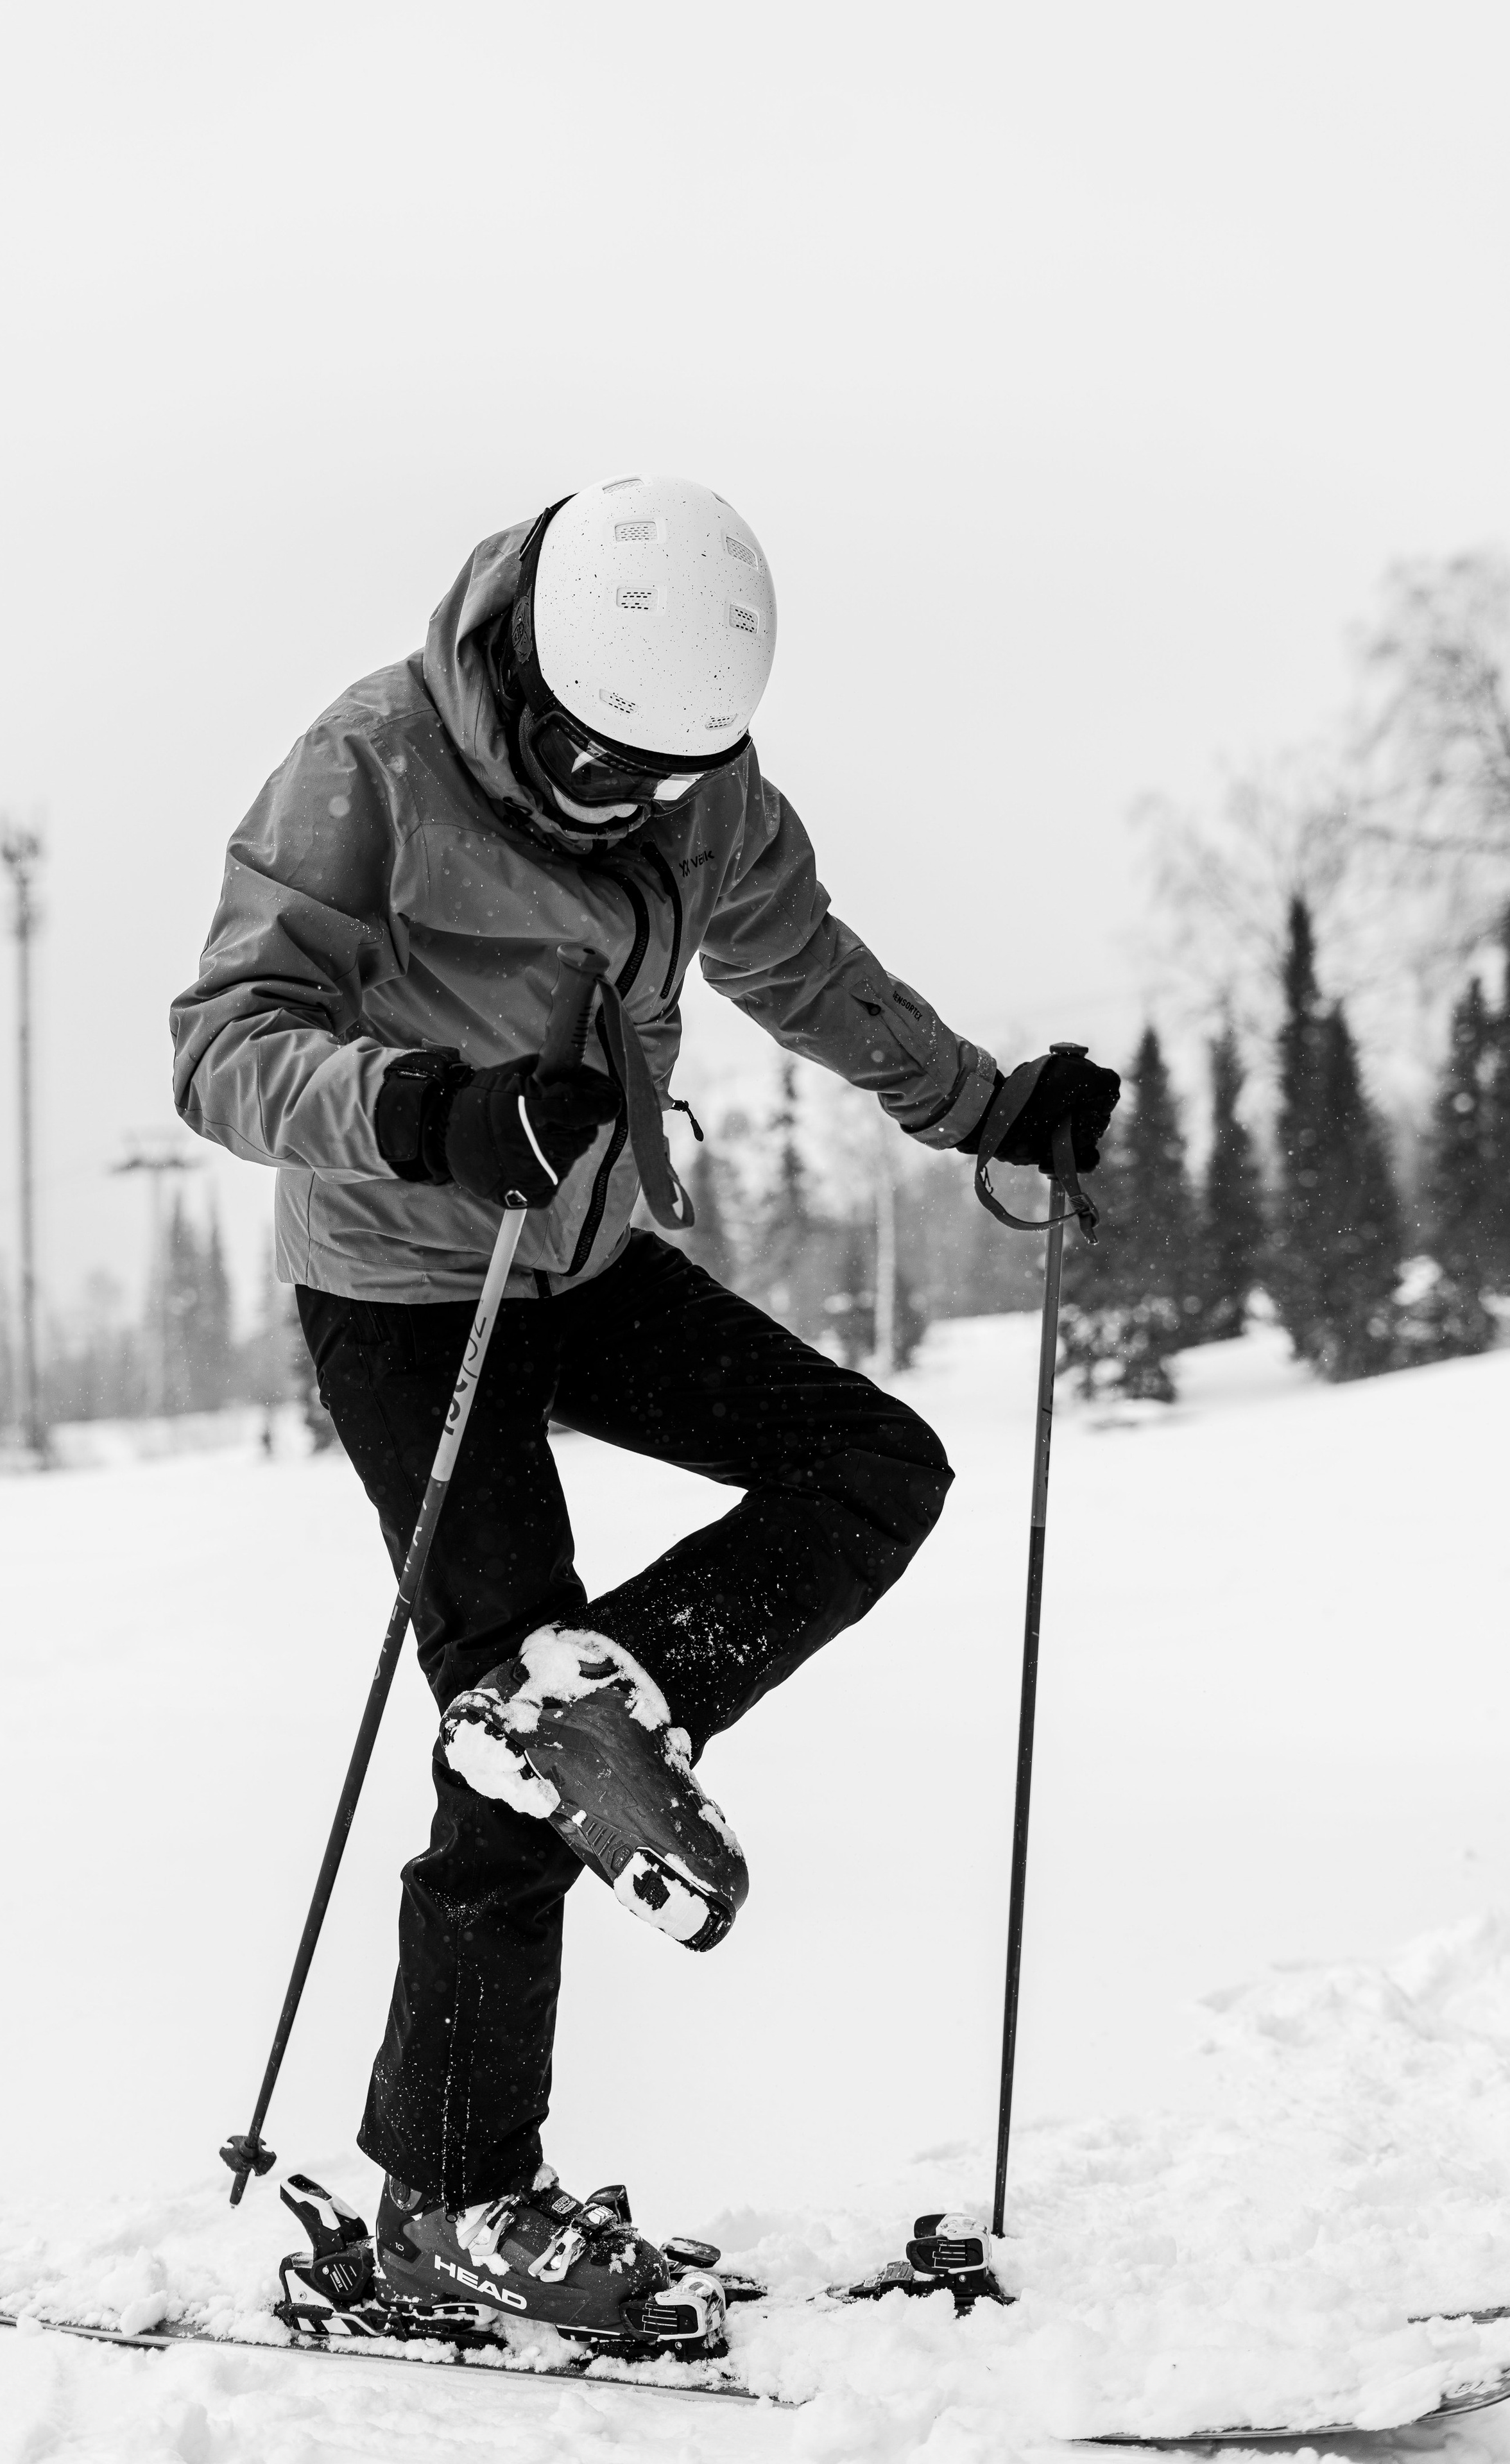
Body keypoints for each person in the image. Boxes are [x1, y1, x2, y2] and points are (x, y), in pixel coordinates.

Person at [171, 475, 1119, 2337]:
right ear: (527, 673)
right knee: (506, 1764)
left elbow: (801, 965)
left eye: (664, 776)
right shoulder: (369, 765)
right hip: (408, 1284)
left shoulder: (709, 794)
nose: (626, 802)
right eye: (594, 764)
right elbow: (223, 1043)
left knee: (872, 1462)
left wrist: (982, 1107)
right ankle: (450, 2203)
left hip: (585, 1257)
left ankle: (598, 1707)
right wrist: (427, 1111)